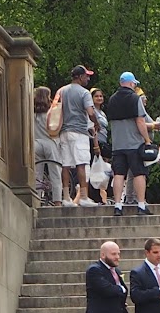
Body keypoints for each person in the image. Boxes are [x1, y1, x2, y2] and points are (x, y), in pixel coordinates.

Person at [106, 72, 154, 216]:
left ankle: (118, 206)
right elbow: (140, 121)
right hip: (134, 144)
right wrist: (147, 139)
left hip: (118, 144)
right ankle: (140, 205)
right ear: (131, 83)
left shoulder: (112, 99)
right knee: (139, 173)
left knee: (119, 174)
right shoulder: (135, 98)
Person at [57, 65, 100, 208]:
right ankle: (83, 196)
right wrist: (96, 123)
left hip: (63, 131)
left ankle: (66, 198)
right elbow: (90, 112)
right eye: (86, 76)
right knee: (81, 163)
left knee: (66, 164)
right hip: (79, 132)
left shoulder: (61, 91)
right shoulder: (84, 93)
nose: (88, 78)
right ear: (80, 77)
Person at [32, 85, 63, 205]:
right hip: (50, 142)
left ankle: (37, 199)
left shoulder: (32, 113)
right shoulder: (51, 112)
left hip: (36, 142)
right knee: (55, 172)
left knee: (37, 174)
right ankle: (57, 200)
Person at [89, 87, 111, 203]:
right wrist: (96, 144)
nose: (99, 98)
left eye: (101, 96)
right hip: (95, 142)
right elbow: (93, 128)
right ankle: (94, 195)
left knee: (100, 170)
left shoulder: (102, 112)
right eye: (96, 96)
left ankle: (100, 195)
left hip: (103, 141)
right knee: (95, 169)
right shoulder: (92, 112)